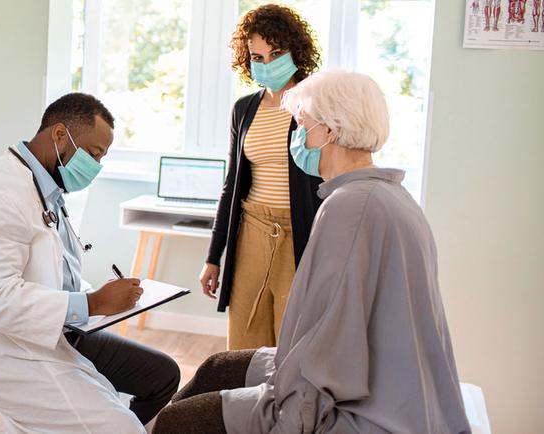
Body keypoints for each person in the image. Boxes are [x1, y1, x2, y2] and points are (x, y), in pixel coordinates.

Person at [153, 71, 471, 434]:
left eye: (301, 124)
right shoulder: (390, 196)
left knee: (177, 422)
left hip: (365, 407)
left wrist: (287, 421)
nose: (296, 136)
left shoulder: (350, 208)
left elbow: (328, 349)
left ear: (330, 131)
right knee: (216, 367)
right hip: (381, 378)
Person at [0, 93, 180, 434]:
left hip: (58, 331)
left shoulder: (46, 188)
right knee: (121, 428)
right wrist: (93, 302)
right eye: (94, 153)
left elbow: (53, 273)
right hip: (4, 348)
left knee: (162, 375)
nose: (96, 166)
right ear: (59, 135)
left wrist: (98, 298)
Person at [199, 4, 324, 350]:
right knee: (244, 338)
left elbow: (329, 180)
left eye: (277, 53)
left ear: (296, 51)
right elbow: (231, 186)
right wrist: (213, 257)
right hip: (252, 231)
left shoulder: (317, 104)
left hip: (300, 233)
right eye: (258, 56)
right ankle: (245, 404)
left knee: (293, 339)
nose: (267, 64)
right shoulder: (244, 109)